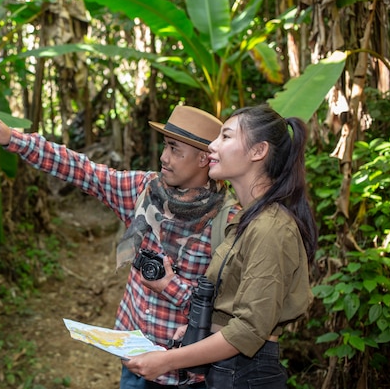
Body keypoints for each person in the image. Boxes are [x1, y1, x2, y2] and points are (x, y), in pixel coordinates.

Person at [0, 104, 239, 389]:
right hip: (133, 362)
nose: (163, 157)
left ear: (204, 159)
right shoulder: (144, 191)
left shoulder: (227, 224)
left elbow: (229, 316)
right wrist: (14, 140)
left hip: (186, 376)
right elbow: (83, 170)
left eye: (176, 150)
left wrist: (169, 285)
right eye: (165, 146)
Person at [123, 104, 318, 389]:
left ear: (257, 151)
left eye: (225, 137)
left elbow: (248, 330)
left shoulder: (271, 228)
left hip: (247, 376)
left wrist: (166, 361)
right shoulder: (246, 220)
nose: (212, 146)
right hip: (227, 372)